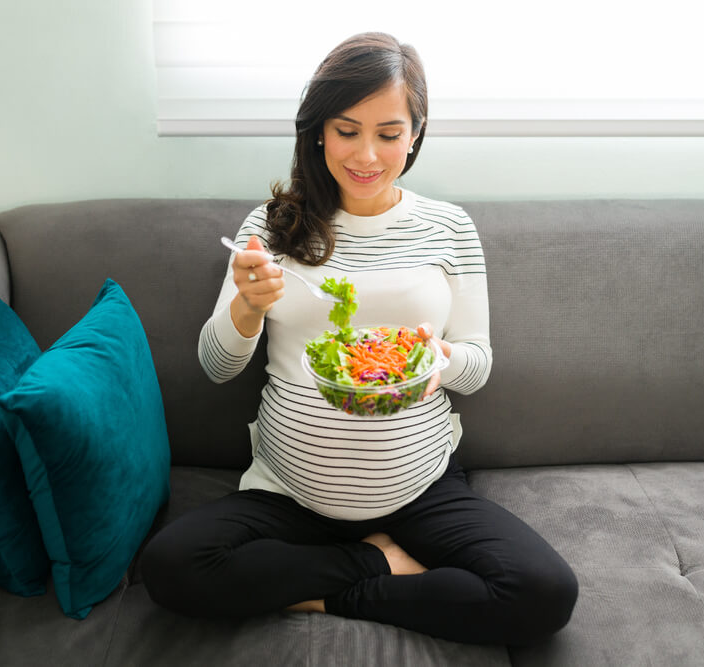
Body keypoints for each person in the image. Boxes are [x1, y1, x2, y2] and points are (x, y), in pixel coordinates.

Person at [141, 32, 578, 646]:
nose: (366, 154)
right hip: (289, 493)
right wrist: (246, 305)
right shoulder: (270, 227)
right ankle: (377, 565)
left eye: (389, 133)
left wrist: (440, 360)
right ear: (318, 131)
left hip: (418, 487)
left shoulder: (449, 228)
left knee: (545, 593)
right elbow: (215, 365)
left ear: (417, 132)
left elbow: (477, 365)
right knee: (168, 569)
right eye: (346, 131)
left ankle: (324, 594)